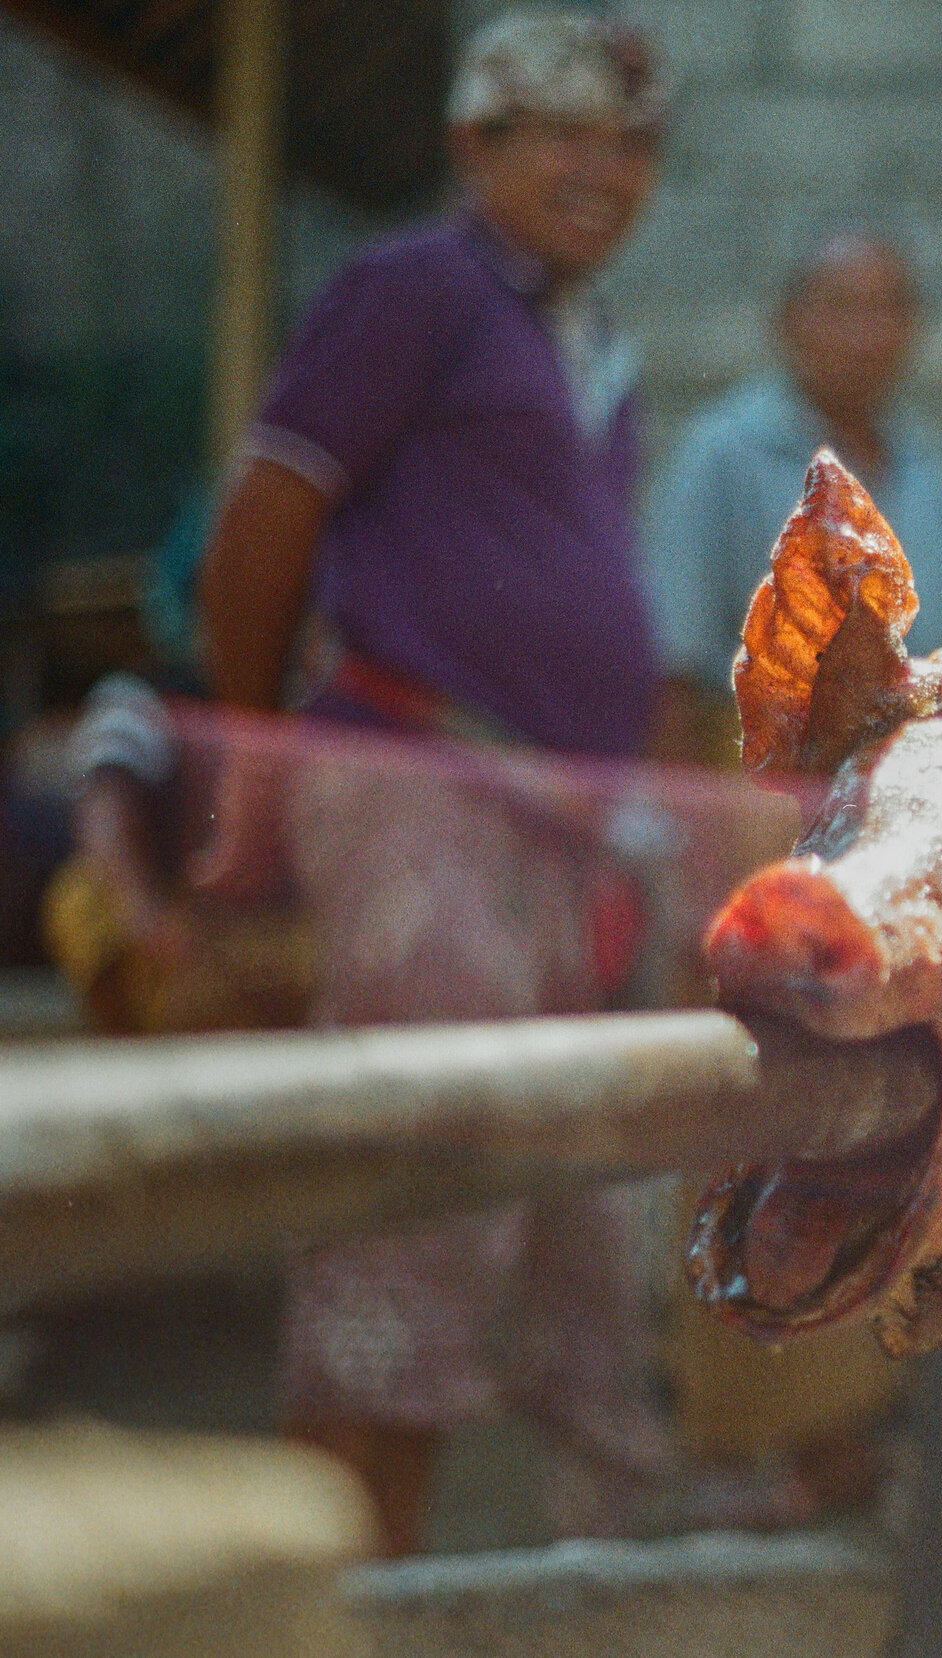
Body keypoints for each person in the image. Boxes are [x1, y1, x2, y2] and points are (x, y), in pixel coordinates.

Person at [190, 9, 672, 1554]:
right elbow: (265, 516)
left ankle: (485, 1596)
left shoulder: (594, 351)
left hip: (555, 827)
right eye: (560, 134)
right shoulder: (418, 287)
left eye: (632, 144)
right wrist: (254, 761)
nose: (600, 170)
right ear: (474, 147)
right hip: (415, 786)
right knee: (410, 1216)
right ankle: (328, 1603)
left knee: (559, 1213)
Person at [643, 229, 942, 763]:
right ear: (787, 323)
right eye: (841, 309)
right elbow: (672, 665)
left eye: (884, 313)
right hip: (750, 785)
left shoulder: (929, 479)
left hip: (896, 781)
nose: (863, 337)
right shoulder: (723, 453)